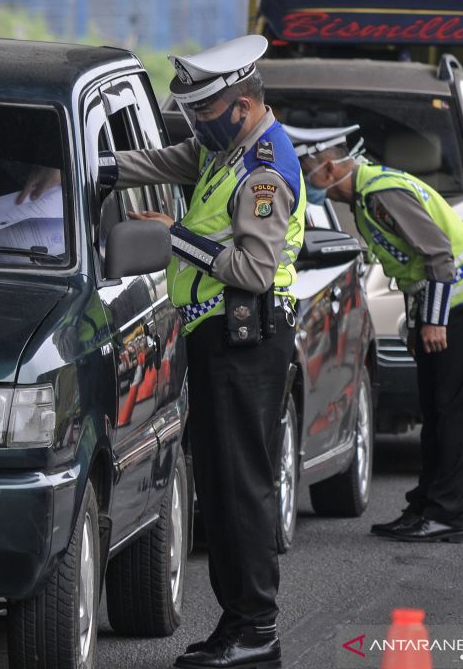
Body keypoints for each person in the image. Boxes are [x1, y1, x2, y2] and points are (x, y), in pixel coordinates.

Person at [98, 35, 304, 669]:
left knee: (241, 488)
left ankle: (256, 630)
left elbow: (252, 268)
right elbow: (167, 159)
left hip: (248, 343)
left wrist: (175, 237)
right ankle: (236, 624)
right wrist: (98, 167)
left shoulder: (262, 168)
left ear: (242, 104)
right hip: (217, 341)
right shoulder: (226, 148)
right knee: (218, 486)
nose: (196, 126)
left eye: (204, 114)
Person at [290, 124, 463, 545]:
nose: (303, 179)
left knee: (454, 410)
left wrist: (435, 321)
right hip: (440, 303)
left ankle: (446, 516)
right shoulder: (367, 196)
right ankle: (424, 505)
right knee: (435, 411)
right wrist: (418, 322)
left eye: (305, 168)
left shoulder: (381, 193)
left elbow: (438, 255)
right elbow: (408, 269)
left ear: (329, 168)